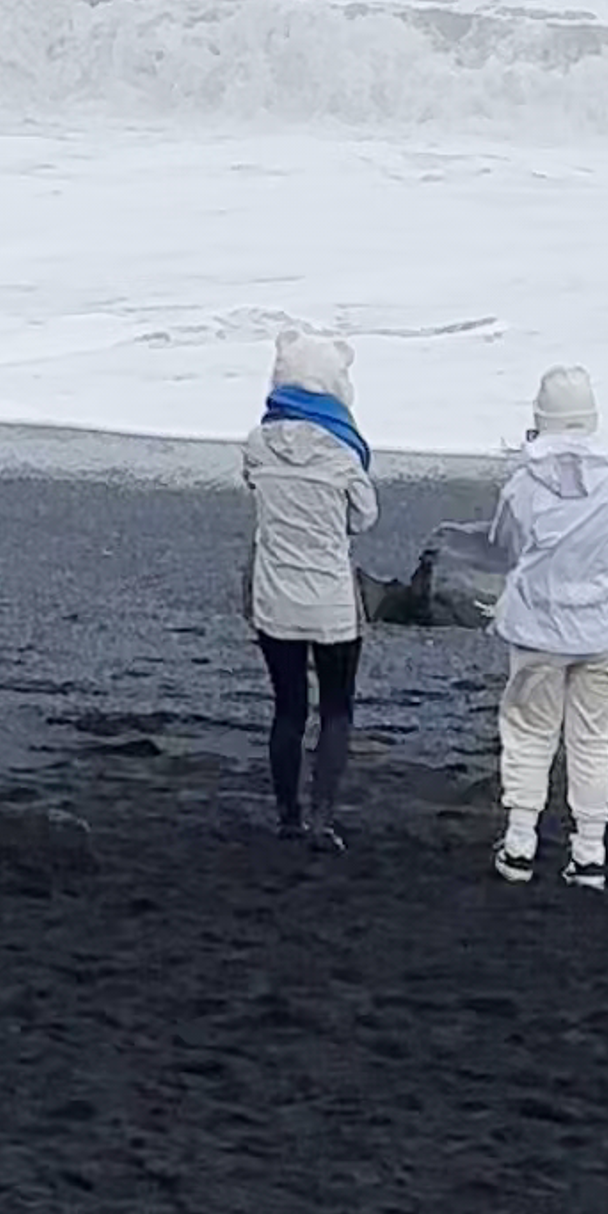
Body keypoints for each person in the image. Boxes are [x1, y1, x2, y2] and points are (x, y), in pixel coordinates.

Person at [486, 362, 608, 892]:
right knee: (595, 740)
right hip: (603, 629)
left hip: (538, 630)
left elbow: (507, 545)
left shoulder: (523, 485)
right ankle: (590, 850)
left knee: (529, 735)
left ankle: (520, 842)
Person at [243, 319, 376, 850]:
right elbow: (364, 517)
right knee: (337, 709)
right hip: (331, 601)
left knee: (288, 709)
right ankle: (323, 819)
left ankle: (287, 817)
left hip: (274, 597)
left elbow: (254, 487)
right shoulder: (343, 457)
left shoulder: (257, 444)